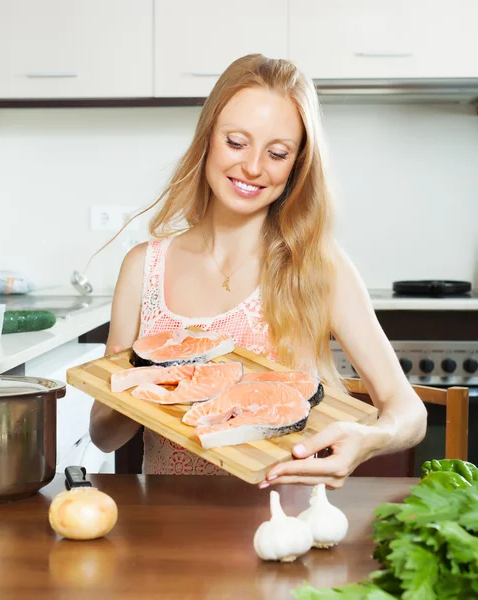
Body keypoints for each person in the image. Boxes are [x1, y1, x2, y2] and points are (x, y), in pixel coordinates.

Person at [89, 53, 427, 488]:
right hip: (170, 528)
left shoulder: (319, 266)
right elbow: (103, 437)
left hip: (281, 525)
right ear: (208, 138)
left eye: (277, 152)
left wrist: (370, 437)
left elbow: (408, 410)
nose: (252, 167)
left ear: (298, 164)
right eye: (236, 142)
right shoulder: (143, 268)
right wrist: (148, 381)